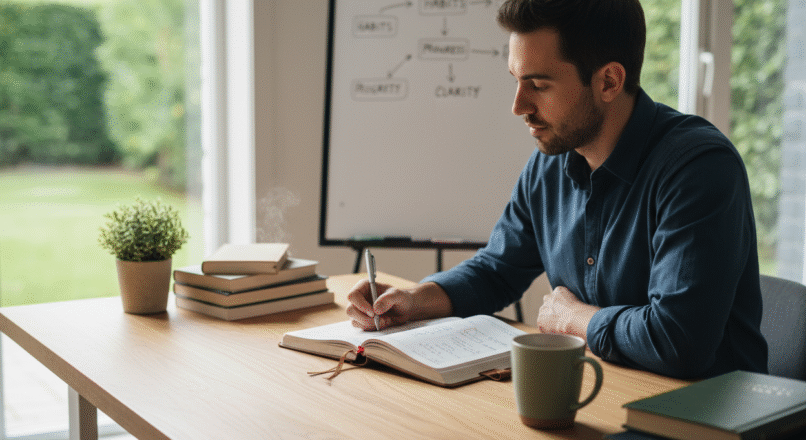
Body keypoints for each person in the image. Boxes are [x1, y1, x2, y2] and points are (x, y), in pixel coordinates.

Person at [346, 0, 768, 379]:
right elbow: (496, 271)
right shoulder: (551, 162)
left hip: (705, 416)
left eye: (539, 85)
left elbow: (678, 341)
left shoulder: (698, 168)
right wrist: (414, 299)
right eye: (516, 80)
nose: (519, 106)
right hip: (604, 390)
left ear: (609, 81)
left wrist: (573, 318)